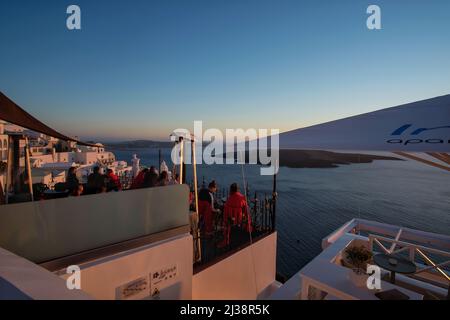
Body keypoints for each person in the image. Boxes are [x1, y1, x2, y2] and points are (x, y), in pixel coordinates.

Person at [218, 183, 252, 248]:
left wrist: (224, 221)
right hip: (240, 221)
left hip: (230, 221)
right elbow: (246, 211)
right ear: (237, 190)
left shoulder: (229, 199)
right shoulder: (242, 198)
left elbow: (225, 212)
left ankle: (226, 240)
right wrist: (249, 223)